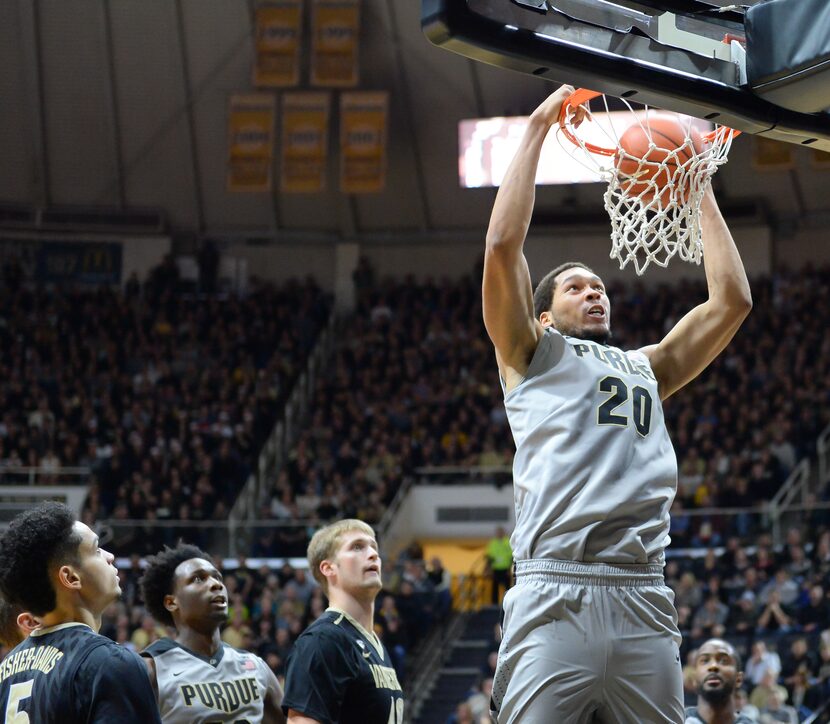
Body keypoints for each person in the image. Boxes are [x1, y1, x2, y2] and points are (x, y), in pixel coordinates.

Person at [482, 84, 752, 723]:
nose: (594, 291)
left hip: (642, 591)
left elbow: (732, 301)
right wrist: (541, 125)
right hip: (555, 588)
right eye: (576, 287)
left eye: (600, 285)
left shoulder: (646, 368)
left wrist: (695, 177)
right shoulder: (529, 350)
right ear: (544, 312)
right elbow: (500, 248)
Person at [0, 502, 161, 722]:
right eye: (96, 549)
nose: (110, 556)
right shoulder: (109, 662)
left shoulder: (7, 668)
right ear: (71, 578)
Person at [139, 543, 285, 723]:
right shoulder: (151, 668)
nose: (216, 584)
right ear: (171, 602)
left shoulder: (254, 666)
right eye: (198, 579)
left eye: (218, 577)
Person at [281, 519, 405, 723]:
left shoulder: (373, 643)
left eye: (374, 547)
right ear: (329, 568)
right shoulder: (322, 641)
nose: (373, 554)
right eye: (357, 547)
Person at [684, 639, 754, 723]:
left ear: (738, 679)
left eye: (723, 661)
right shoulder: (676, 720)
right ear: (694, 679)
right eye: (705, 661)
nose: (713, 666)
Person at [485, 526, 513, 605]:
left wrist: (509, 569)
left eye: (500, 532)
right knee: (495, 587)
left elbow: (511, 557)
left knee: (507, 588)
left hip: (505, 568)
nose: (499, 534)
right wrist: (488, 568)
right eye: (498, 532)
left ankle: (507, 603)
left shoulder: (508, 542)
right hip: (496, 569)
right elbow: (490, 557)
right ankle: (494, 604)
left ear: (503, 533)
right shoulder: (493, 543)